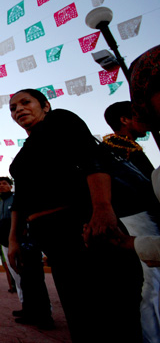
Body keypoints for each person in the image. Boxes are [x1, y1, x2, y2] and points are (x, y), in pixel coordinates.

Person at [7, 88, 143, 342]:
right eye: (13, 108)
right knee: (81, 318)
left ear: (45, 106)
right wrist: (14, 239)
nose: (18, 110)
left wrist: (102, 208)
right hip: (55, 244)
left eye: (26, 102)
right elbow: (21, 200)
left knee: (113, 317)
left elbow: (92, 158)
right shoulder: (26, 150)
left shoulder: (60, 121)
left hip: (83, 230)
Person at [104, 100, 160, 343]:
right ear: (125, 120)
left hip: (145, 216)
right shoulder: (114, 149)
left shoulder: (129, 148)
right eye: (138, 115)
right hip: (135, 217)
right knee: (153, 283)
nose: (144, 119)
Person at [0, 176, 53, 329]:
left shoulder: (17, 200)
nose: (1, 186)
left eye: (5, 184)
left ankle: (45, 315)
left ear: (11, 185)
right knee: (22, 279)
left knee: (34, 278)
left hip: (24, 243)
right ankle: (28, 310)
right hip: (8, 243)